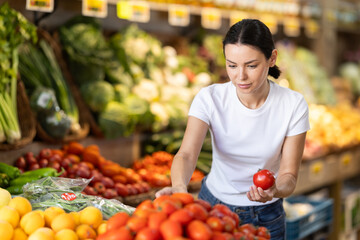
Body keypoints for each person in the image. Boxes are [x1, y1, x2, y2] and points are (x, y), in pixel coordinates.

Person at [155, 18, 310, 239]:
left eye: (251, 65)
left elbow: (288, 175)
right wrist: (179, 188)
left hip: (267, 216)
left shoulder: (293, 104)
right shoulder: (210, 98)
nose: (241, 76)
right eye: (232, 65)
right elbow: (187, 154)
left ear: (272, 58)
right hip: (212, 209)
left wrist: (274, 191)